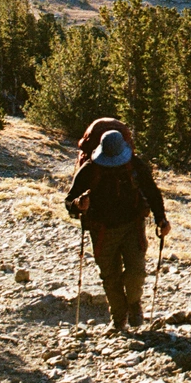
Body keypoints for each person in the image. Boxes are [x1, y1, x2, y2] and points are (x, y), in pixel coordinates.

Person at [64, 129, 170, 331]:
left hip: (133, 226)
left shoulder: (135, 166)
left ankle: (134, 305)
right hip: (102, 229)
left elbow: (152, 192)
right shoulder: (90, 169)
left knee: (136, 273)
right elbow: (69, 201)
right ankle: (119, 318)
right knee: (110, 276)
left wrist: (161, 219)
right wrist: (78, 206)